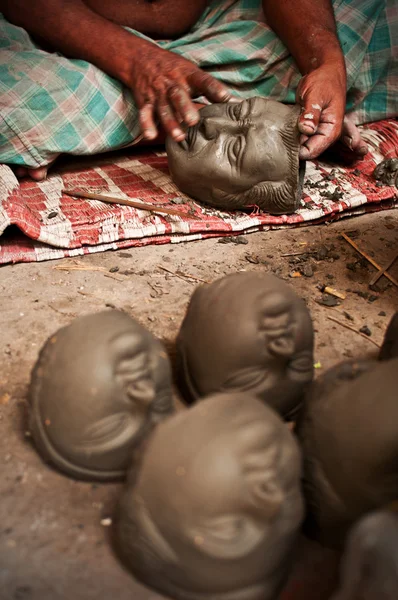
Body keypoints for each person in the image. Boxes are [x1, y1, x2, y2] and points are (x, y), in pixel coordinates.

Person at [0, 0, 395, 180]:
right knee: (22, 99)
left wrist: (325, 63)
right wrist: (138, 61)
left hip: (219, 16)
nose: (210, 130)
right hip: (68, 31)